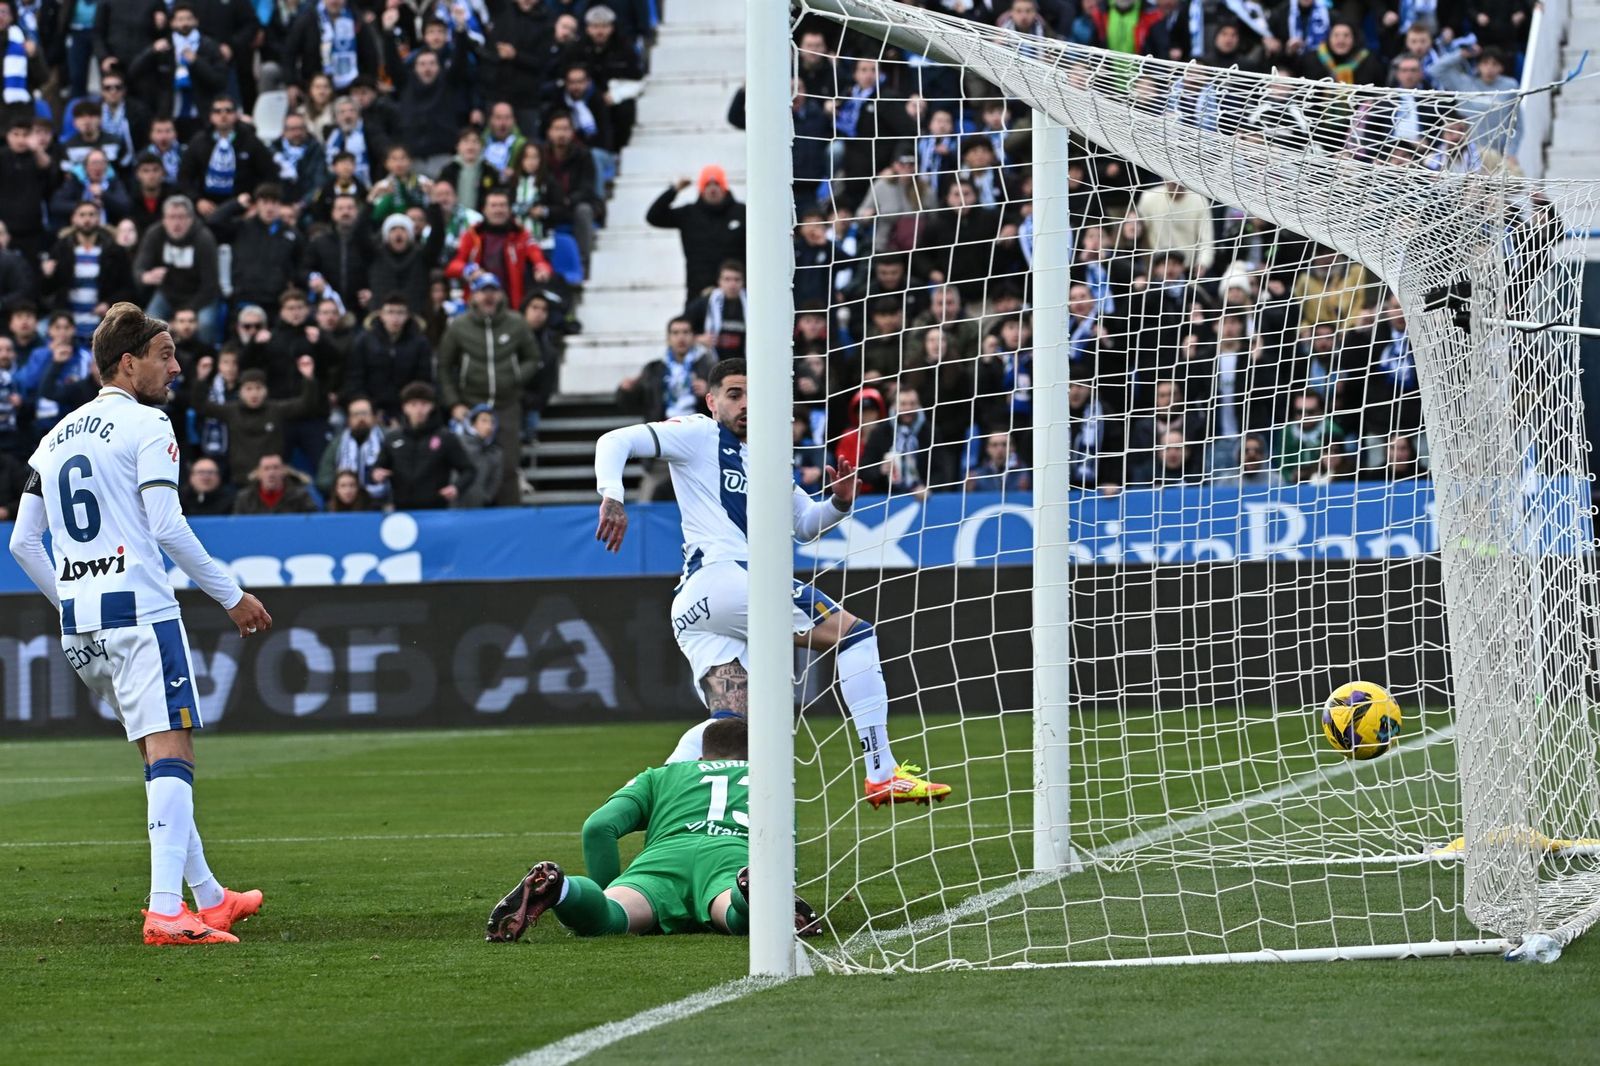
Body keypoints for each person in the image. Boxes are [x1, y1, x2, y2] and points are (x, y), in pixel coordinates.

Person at [8, 301, 270, 946]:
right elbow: (166, 526)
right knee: (174, 752)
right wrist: (231, 596)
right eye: (165, 356)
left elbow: (21, 542)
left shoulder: (54, 437)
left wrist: (72, 598)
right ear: (128, 363)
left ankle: (210, 897)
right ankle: (164, 912)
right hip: (140, 615)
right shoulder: (149, 423)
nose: (175, 369)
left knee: (157, 758)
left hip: (83, 628)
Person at [592, 359, 952, 807]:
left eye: (752, 395)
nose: (745, 404)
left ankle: (637, 804)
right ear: (711, 401)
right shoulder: (699, 432)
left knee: (733, 727)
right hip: (726, 577)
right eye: (734, 394)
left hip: (697, 608)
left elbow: (804, 524)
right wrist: (613, 496)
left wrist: (839, 503)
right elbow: (614, 440)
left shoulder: (770, 458)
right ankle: (882, 772)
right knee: (855, 635)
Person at [484, 718, 820, 941]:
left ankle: (563, 890)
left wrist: (606, 894)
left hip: (661, 862)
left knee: (610, 917)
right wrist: (781, 889)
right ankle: (748, 894)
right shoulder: (771, 779)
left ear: (701, 756)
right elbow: (782, 844)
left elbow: (598, 827)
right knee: (737, 918)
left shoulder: (660, 776)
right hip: (729, 861)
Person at [436, 272, 540, 505]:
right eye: (484, 291)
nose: (489, 296)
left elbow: (533, 357)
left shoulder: (516, 323)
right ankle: (471, 516)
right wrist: (454, 403)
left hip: (506, 405)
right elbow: (444, 366)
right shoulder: (459, 326)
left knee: (508, 466)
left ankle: (509, 517)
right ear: (474, 296)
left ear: (501, 294)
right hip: (471, 406)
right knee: (469, 465)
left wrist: (515, 377)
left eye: (493, 290)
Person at [190, 360, 318, 488]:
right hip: (241, 479)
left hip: (272, 479)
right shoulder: (231, 411)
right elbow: (201, 406)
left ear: (266, 390)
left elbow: (306, 405)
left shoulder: (276, 410)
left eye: (258, 388)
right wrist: (201, 379)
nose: (254, 393)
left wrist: (308, 378)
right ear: (240, 392)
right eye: (249, 388)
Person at [645, 164, 748, 302]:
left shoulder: (742, 212)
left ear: (724, 187)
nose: (712, 189)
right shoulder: (689, 214)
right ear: (701, 189)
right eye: (707, 184)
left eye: (717, 184)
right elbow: (654, 217)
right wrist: (674, 190)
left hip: (737, 293)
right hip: (698, 293)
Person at [135, 195, 222, 345]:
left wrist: (188, 309)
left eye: (181, 217)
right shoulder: (155, 234)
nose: (176, 223)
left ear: (191, 219)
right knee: (150, 324)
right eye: (171, 217)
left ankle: (205, 356)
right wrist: (144, 276)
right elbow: (139, 267)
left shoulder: (204, 238)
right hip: (168, 294)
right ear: (164, 219)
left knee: (205, 324)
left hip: (201, 296)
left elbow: (210, 284)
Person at [375, 381, 475, 510]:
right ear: (405, 407)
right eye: (413, 404)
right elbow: (378, 467)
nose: (419, 410)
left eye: (424, 404)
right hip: (401, 511)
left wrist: (456, 488)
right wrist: (376, 473)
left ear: (432, 406)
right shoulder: (392, 438)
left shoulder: (445, 437)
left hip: (435, 510)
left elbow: (468, 470)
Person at [316, 393, 388, 504]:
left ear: (374, 417)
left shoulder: (387, 438)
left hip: (382, 503)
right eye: (355, 414)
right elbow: (323, 480)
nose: (361, 418)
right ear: (348, 419)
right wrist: (342, 483)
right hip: (346, 505)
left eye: (365, 413)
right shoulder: (337, 443)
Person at [232, 452, 318, 514]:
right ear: (258, 474)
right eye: (266, 469)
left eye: (276, 468)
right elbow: (237, 527)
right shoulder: (245, 499)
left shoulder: (301, 496)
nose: (271, 473)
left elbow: (313, 523)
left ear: (283, 471)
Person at [452, 404, 502, 508]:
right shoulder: (458, 443)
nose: (489, 426)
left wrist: (485, 497)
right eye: (484, 421)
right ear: (473, 423)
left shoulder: (495, 451)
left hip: (479, 506)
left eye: (492, 422)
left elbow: (495, 480)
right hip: (454, 504)